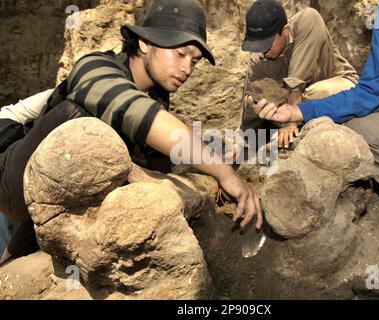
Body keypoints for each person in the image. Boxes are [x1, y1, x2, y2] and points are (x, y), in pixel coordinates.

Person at [0, 0, 263, 266]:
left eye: (194, 61)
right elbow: (137, 114)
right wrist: (224, 174)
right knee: (83, 122)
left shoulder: (156, 96)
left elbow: (161, 148)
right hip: (8, 166)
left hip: (50, 193)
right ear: (145, 43)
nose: (187, 69)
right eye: (180, 54)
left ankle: (19, 256)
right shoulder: (95, 66)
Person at [249, 0, 379, 237]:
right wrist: (297, 113)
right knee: (359, 134)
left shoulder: (306, 22)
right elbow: (370, 93)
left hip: (332, 85)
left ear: (284, 32)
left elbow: (300, 81)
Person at [239, 0, 359, 148]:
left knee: (316, 93)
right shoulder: (258, 62)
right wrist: (243, 139)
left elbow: (297, 81)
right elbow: (252, 106)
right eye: (258, 45)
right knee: (268, 110)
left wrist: (290, 122)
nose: (263, 51)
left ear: (286, 31)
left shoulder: (307, 20)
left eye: (267, 44)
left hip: (343, 91)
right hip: (296, 107)